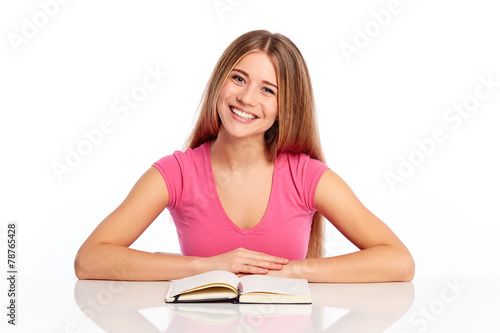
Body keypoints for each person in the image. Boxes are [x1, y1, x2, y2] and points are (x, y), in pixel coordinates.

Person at [74, 30, 414, 283]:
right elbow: (90, 260)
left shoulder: (306, 176)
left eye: (268, 89)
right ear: (220, 83)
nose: (247, 98)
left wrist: (291, 271)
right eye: (238, 79)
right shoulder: (176, 173)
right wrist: (206, 267)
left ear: (286, 106)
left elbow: (399, 262)